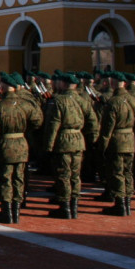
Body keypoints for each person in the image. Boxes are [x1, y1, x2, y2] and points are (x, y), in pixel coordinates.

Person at [0, 73, 44, 224]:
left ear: (4, 87)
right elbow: (38, 121)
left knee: (5, 179)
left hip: (5, 145)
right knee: (19, 178)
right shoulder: (25, 104)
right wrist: (25, 129)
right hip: (21, 143)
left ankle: (7, 212)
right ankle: (16, 211)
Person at [42, 73, 98, 219]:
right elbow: (93, 121)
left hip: (63, 140)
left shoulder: (59, 100)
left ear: (64, 84)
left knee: (63, 174)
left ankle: (65, 206)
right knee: (75, 175)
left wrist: (48, 146)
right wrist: (91, 139)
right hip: (79, 140)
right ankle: (74, 205)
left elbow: (53, 124)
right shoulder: (83, 100)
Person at [97, 71, 135, 216]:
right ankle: (128, 202)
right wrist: (131, 130)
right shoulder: (134, 99)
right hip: (130, 138)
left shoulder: (113, 101)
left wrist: (103, 145)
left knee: (117, 172)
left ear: (112, 83)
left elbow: (107, 127)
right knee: (128, 171)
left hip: (117, 140)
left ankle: (120, 204)